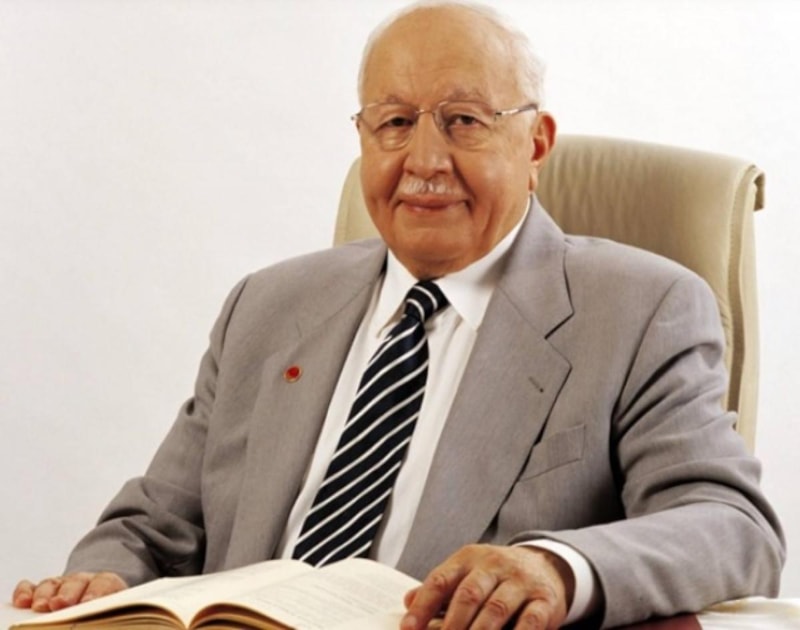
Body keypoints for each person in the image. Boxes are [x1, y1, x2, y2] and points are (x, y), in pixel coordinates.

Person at [12, 2, 784, 628]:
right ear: (362, 138)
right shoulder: (267, 305)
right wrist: (102, 577)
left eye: (464, 120)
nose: (423, 160)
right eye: (393, 122)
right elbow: (150, 526)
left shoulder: (642, 308)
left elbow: (731, 527)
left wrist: (555, 566)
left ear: (536, 144)